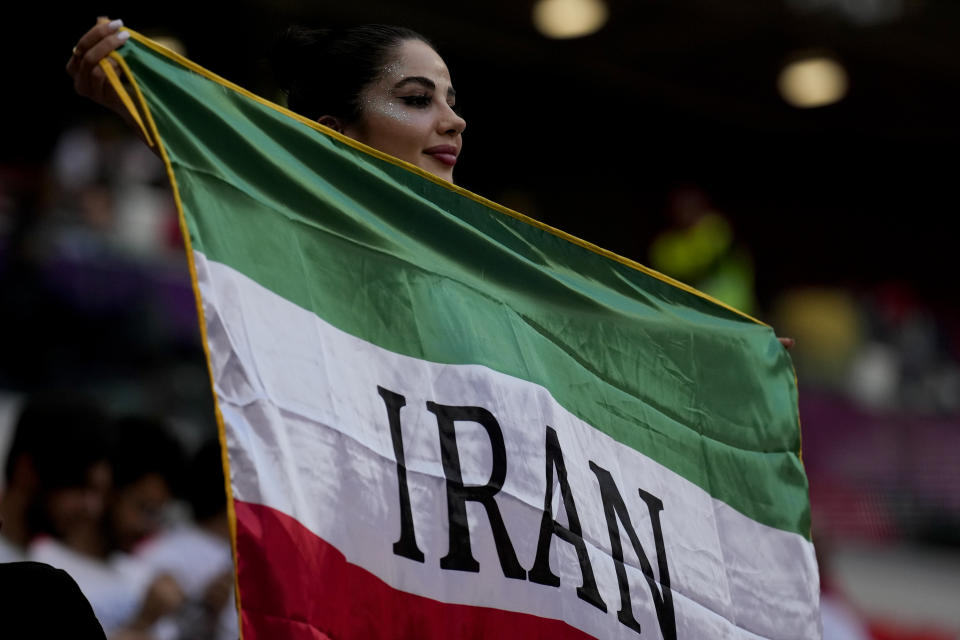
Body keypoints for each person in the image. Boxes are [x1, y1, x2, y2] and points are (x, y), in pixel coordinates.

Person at [67, 19, 467, 184]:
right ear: (335, 134)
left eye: (452, 103)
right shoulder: (284, 235)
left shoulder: (488, 261)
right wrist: (135, 101)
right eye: (417, 99)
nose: (455, 122)